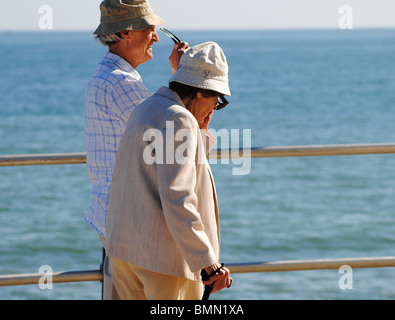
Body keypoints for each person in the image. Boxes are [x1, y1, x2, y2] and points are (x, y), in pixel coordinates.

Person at [105, 41, 232, 300]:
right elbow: (178, 196)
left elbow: (167, 168)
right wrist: (208, 262)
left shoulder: (147, 107)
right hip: (163, 260)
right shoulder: (179, 118)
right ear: (200, 92)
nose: (214, 107)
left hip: (125, 251)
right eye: (216, 100)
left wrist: (201, 129)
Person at [85, 0, 189, 300]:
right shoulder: (121, 83)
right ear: (125, 33)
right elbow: (175, 135)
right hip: (131, 221)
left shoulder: (106, 75)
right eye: (149, 28)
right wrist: (184, 78)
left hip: (111, 216)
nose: (155, 36)